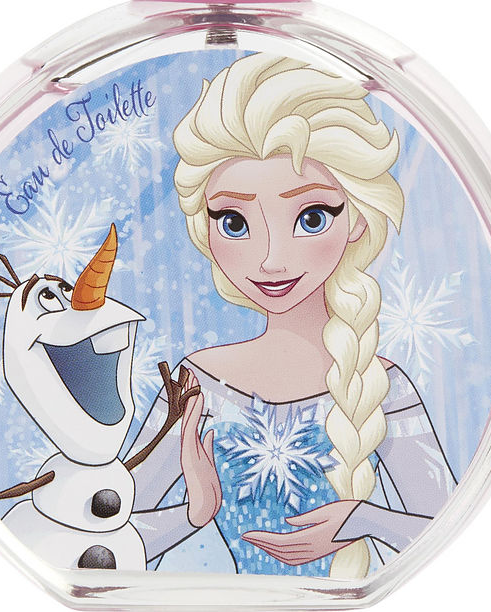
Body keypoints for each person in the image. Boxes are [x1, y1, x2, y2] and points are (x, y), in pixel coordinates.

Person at [126, 54, 455, 578]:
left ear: (356, 218)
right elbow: (102, 541)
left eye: (311, 217)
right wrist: (192, 514)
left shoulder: (381, 386)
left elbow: (455, 536)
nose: (271, 260)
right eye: (234, 222)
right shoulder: (198, 383)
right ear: (205, 226)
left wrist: (363, 519)